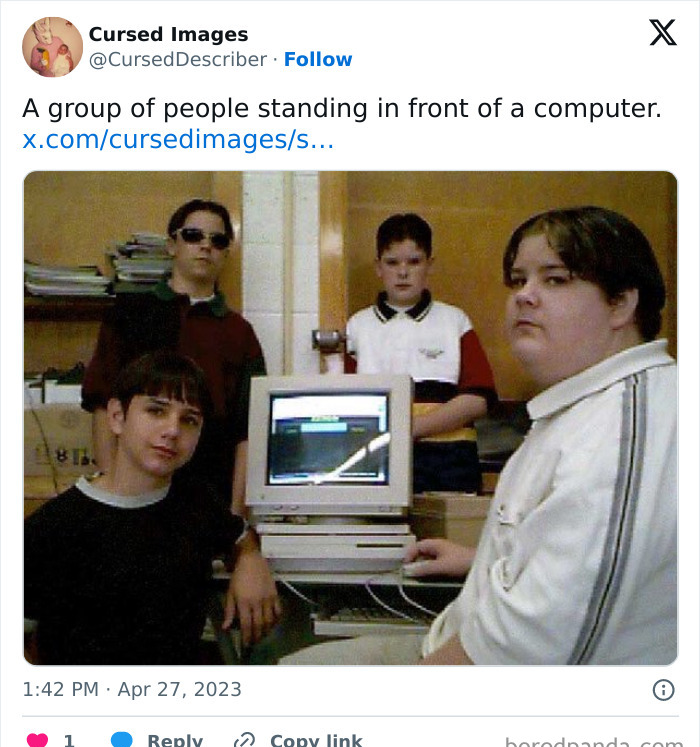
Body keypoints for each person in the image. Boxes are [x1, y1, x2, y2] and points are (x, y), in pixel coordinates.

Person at [282, 205, 677, 665]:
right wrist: (480, 559)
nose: (524, 296)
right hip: (455, 632)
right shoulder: (574, 409)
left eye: (555, 278)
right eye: (518, 279)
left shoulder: (626, 431)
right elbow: (579, 570)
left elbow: (528, 648)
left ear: (622, 303)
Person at [81, 199, 279, 634]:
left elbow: (248, 429)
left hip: (204, 503)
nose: (205, 247)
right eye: (193, 236)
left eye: (217, 240)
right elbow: (101, 404)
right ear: (172, 245)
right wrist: (116, 497)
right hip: (133, 494)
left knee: (188, 627)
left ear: (227, 252)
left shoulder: (238, 333)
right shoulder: (129, 315)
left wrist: (233, 524)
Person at [25, 351, 277, 664]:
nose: (172, 430)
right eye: (156, 411)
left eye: (189, 420)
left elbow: (236, 533)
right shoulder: (51, 529)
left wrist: (250, 556)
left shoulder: (197, 504)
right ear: (117, 417)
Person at [344, 213, 497, 493]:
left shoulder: (455, 321)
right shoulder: (357, 327)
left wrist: (411, 428)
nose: (403, 272)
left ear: (429, 265)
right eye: (392, 263)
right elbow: (347, 402)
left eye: (414, 262)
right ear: (378, 267)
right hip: (378, 459)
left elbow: (479, 399)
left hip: (450, 462)